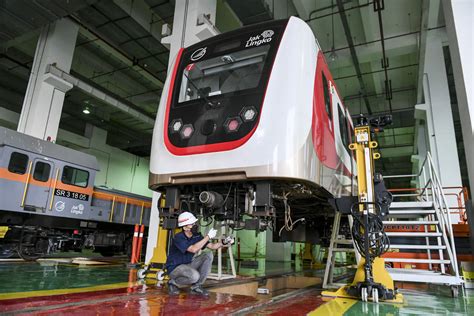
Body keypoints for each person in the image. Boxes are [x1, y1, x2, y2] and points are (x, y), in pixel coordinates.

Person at [166, 211, 225, 296]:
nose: (194, 225)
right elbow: (193, 249)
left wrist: (223, 242)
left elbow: (212, 246)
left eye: (194, 223)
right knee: (194, 276)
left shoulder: (196, 236)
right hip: (175, 267)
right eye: (192, 224)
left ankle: (197, 286)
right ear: (185, 227)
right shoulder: (178, 237)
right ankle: (173, 282)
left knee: (208, 255)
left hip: (188, 264)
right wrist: (208, 236)